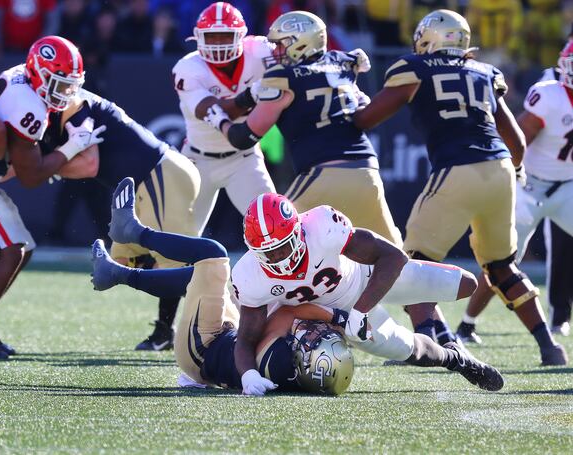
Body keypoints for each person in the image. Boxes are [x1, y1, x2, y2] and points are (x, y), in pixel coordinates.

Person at [204, 10, 461, 346]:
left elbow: (244, 136)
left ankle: (239, 341)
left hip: (320, 172)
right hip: (365, 171)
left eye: (281, 44)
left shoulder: (282, 75)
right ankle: (435, 331)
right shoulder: (343, 63)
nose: (276, 51)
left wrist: (217, 119)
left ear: (300, 43)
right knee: (398, 261)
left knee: (268, 251)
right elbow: (360, 104)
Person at [352, 9, 567, 366]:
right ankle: (550, 347)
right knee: (501, 266)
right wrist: (514, 170)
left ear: (429, 39)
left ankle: (431, 344)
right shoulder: (484, 72)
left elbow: (367, 118)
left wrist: (349, 101)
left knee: (411, 266)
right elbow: (515, 140)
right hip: (500, 168)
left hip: (457, 167)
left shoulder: (414, 69)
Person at [91, 177, 354, 395]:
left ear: (306, 362)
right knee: (205, 277)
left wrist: (340, 317)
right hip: (221, 342)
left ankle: (133, 234)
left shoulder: (281, 358)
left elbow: (289, 313)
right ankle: (115, 272)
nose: (313, 334)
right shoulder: (293, 376)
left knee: (213, 257)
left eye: (314, 341)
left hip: (203, 347)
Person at [231, 193, 505, 395]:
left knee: (465, 284)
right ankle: (456, 359)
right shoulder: (249, 275)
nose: (278, 258)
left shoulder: (322, 227)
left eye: (283, 246)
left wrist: (360, 311)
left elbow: (393, 257)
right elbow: (246, 338)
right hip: (335, 317)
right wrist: (248, 375)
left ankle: (423, 312)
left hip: (366, 276)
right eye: (268, 252)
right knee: (410, 350)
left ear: (298, 231)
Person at [39, 88, 200, 352]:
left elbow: (89, 165)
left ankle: (217, 323)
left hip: (158, 176)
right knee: (123, 261)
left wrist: (46, 166)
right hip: (143, 185)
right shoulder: (63, 106)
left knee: (172, 265)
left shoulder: (76, 104)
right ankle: (168, 328)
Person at [0, 35, 102, 360]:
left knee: (22, 248)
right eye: (59, 84)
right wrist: (72, 146)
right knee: (11, 249)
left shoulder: (23, 77)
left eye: (70, 85)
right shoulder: (29, 105)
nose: (65, 93)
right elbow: (31, 177)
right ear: (38, 72)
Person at [457, 40, 573, 342]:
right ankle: (466, 324)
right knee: (503, 257)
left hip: (567, 188)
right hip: (530, 186)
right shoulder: (549, 96)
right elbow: (517, 140)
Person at [172, 2, 276, 235]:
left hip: (244, 158)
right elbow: (214, 110)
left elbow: (300, 58)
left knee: (273, 224)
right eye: (212, 37)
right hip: (198, 162)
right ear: (198, 38)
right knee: (178, 238)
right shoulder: (188, 68)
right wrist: (250, 95)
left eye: (225, 36)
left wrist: (334, 61)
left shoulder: (260, 51)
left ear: (241, 36)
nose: (218, 43)